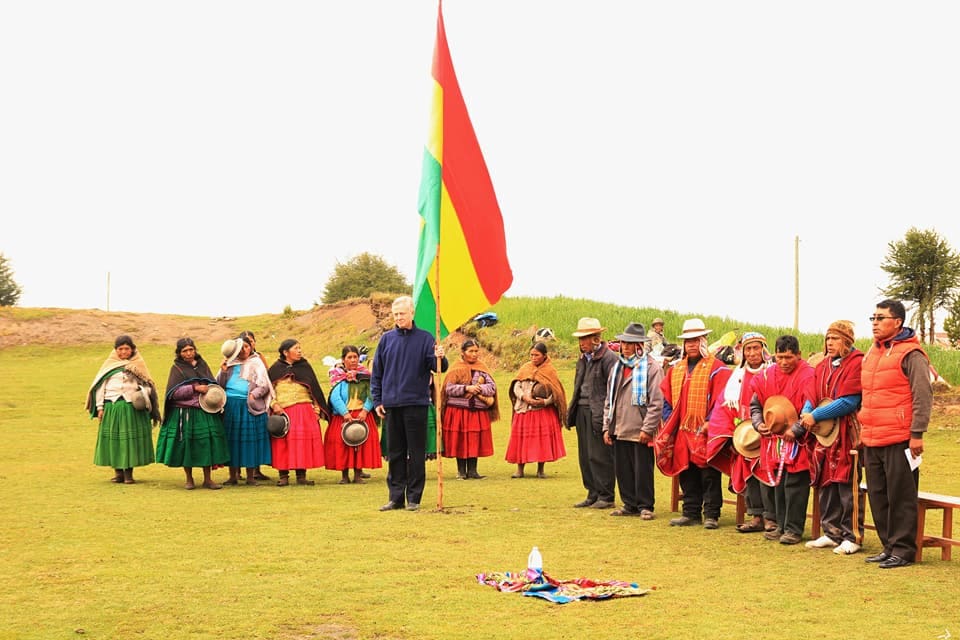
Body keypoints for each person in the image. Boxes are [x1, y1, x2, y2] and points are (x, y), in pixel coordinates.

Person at [859, 299, 932, 569]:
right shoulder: (872, 353)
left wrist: (917, 433)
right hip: (872, 436)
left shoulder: (911, 354)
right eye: (873, 318)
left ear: (897, 322)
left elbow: (922, 396)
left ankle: (903, 550)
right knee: (878, 495)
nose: (875, 323)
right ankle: (889, 546)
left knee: (901, 495)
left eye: (881, 318)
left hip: (900, 437)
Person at [370, 295, 447, 512]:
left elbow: (438, 366)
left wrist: (440, 355)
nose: (398, 317)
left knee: (415, 452)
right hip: (391, 404)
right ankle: (395, 497)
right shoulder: (386, 340)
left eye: (402, 314)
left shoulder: (425, 338)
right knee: (395, 453)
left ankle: (414, 498)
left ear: (412, 313)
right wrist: (377, 400)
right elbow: (377, 373)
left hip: (416, 403)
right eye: (395, 314)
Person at [654, 318, 732, 529]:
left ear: (704, 341)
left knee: (708, 472)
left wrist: (710, 422)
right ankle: (690, 512)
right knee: (685, 470)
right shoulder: (676, 369)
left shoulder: (718, 368)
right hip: (682, 429)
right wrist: (670, 418)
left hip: (705, 429)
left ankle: (711, 514)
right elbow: (667, 399)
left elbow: (722, 399)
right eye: (688, 341)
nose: (691, 345)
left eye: (695, 340)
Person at [799, 320, 866, 555]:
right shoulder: (823, 365)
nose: (829, 343)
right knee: (826, 482)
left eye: (835, 338)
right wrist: (806, 412)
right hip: (824, 434)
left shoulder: (857, 363)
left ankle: (853, 535)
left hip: (847, 433)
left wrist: (814, 415)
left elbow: (850, 401)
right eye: (827, 338)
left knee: (847, 483)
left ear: (847, 341)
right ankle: (831, 532)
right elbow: (812, 393)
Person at [749, 335, 815, 545]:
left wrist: (796, 429)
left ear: (798, 355)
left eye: (789, 357)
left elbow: (812, 405)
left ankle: (794, 529)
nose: (784, 362)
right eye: (780, 357)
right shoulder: (767, 376)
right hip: (774, 440)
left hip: (799, 441)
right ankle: (780, 525)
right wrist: (759, 423)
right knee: (778, 483)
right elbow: (755, 405)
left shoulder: (808, 375)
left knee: (795, 484)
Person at [706, 331, 775, 533]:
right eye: (748, 349)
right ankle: (755, 515)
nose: (753, 353)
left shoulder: (771, 374)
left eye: (756, 348)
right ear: (743, 353)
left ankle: (771, 517)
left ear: (764, 350)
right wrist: (731, 433)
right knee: (749, 475)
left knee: (765, 474)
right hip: (743, 434)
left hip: (767, 433)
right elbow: (724, 406)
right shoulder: (736, 377)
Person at [602, 323, 664, 518]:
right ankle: (629, 504)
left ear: (640, 345)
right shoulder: (617, 367)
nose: (626, 347)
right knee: (623, 469)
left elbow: (656, 401)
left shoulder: (652, 367)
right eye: (624, 343)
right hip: (619, 425)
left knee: (642, 469)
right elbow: (609, 400)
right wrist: (606, 426)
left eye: (630, 343)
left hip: (640, 426)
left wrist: (648, 428)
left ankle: (646, 506)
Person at [156, 337, 229, 490]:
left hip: (205, 410)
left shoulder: (202, 365)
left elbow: (213, 384)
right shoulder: (177, 369)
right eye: (185, 351)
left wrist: (211, 388)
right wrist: (194, 388)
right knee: (186, 444)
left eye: (191, 350)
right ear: (179, 353)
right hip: (185, 412)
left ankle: (208, 479)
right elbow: (173, 393)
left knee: (207, 444)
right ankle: (189, 479)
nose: (189, 353)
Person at [85, 335, 160, 484]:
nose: (124, 352)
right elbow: (101, 387)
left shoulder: (138, 365)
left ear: (132, 349)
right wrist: (100, 407)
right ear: (115, 350)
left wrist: (143, 395)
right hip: (112, 407)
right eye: (120, 349)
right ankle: (118, 473)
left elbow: (148, 385)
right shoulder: (109, 365)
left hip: (132, 408)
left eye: (127, 348)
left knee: (129, 441)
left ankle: (128, 474)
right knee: (115, 440)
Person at [566, 317, 619, 509]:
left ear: (596, 338)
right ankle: (592, 493)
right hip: (581, 410)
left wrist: (608, 418)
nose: (581, 342)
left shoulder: (609, 358)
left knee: (600, 455)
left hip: (598, 412)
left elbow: (613, 390)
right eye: (580, 339)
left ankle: (606, 496)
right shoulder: (582, 359)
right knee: (585, 455)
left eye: (585, 338)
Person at [267, 339, 328, 486]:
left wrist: (316, 409)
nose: (300, 351)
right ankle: (283, 476)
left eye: (300, 348)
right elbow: (268, 391)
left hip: (304, 410)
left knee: (302, 443)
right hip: (283, 411)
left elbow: (314, 391)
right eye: (296, 348)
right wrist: (274, 404)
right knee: (282, 442)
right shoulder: (275, 369)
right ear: (285, 352)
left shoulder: (305, 367)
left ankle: (301, 476)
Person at [505, 342, 567, 479]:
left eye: (537, 355)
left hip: (542, 411)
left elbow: (556, 392)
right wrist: (524, 396)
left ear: (544, 356)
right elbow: (516, 385)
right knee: (521, 439)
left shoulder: (550, 371)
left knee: (541, 441)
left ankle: (541, 469)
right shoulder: (525, 368)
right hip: (524, 410)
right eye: (531, 355)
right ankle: (519, 469)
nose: (533, 357)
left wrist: (544, 402)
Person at [218, 335, 274, 485]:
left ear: (251, 347)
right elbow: (218, 385)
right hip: (231, 406)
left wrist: (254, 395)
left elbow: (265, 384)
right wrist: (223, 371)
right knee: (232, 440)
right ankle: (233, 476)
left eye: (246, 346)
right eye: (241, 347)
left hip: (250, 406)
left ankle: (250, 477)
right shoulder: (229, 364)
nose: (244, 350)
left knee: (249, 441)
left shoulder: (256, 363)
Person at [440, 339, 498, 480]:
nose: (474, 354)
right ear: (463, 353)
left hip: (476, 411)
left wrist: (479, 389)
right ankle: (461, 471)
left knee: (474, 439)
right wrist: (466, 388)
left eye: (476, 351)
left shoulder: (482, 368)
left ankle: (472, 471)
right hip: (458, 411)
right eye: (470, 351)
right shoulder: (455, 369)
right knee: (460, 439)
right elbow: (449, 388)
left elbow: (492, 387)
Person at [326, 345, 382, 484]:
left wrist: (365, 410)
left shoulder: (365, 375)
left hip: (362, 415)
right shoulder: (337, 375)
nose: (352, 360)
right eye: (349, 357)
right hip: (343, 416)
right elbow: (335, 396)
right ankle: (344, 475)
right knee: (342, 445)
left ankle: (358, 474)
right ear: (343, 359)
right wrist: (344, 412)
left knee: (360, 444)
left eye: (355, 357)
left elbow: (371, 394)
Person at [240, 330, 273, 482]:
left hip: (255, 399)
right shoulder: (232, 361)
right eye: (247, 342)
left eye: (252, 342)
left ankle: (256, 470)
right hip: (238, 403)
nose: (250, 345)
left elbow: (266, 375)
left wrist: (256, 393)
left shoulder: (258, 358)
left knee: (254, 437)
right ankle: (237, 471)